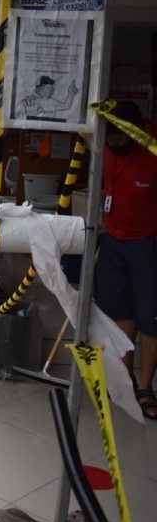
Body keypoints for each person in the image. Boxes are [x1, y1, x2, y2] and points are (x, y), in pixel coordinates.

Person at [93, 100, 157, 419]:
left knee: (150, 318)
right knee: (119, 311)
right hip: (114, 240)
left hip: (148, 243)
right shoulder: (106, 150)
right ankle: (125, 378)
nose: (113, 144)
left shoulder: (153, 155)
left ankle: (146, 387)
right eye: (109, 140)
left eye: (119, 139)